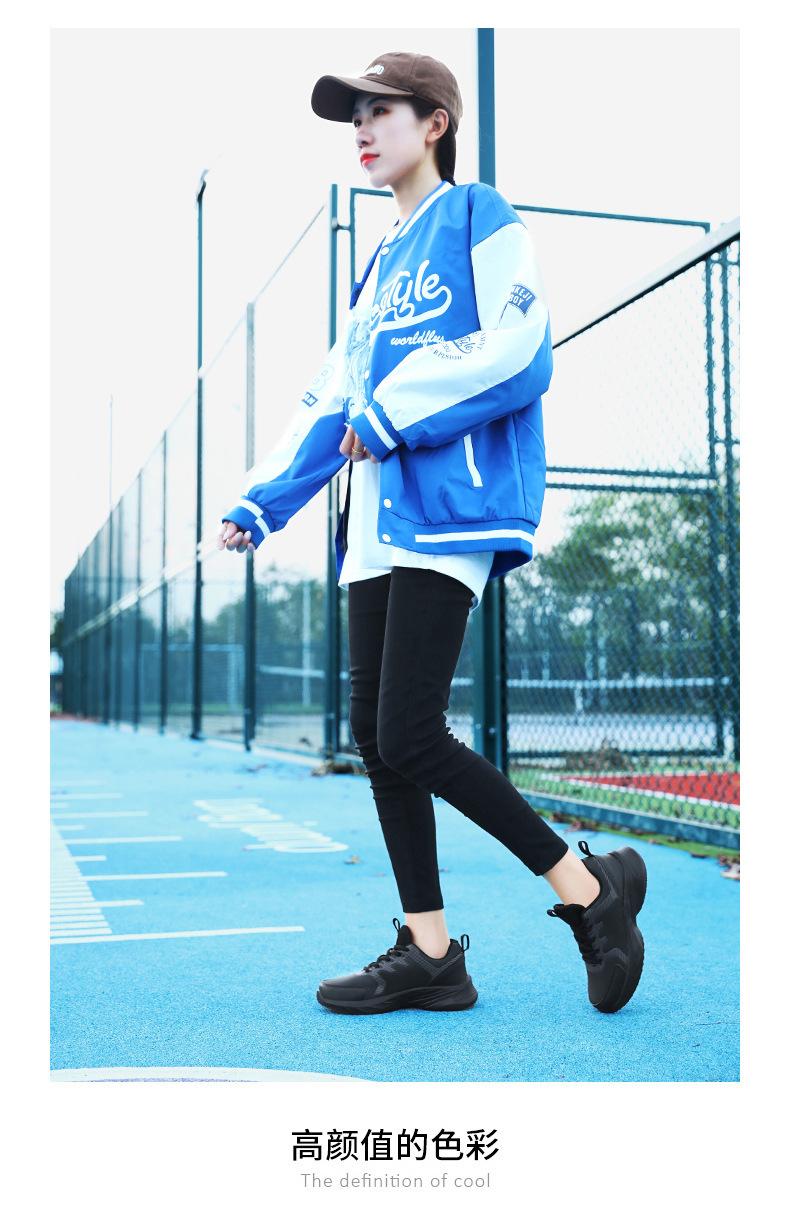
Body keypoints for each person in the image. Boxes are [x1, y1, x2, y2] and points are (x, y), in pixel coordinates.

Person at [217, 51, 648, 1016]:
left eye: (380, 110)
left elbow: (519, 347)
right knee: (378, 737)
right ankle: (430, 951)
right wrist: (264, 499)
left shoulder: (476, 215)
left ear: (435, 122)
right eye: (354, 116)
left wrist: (396, 415)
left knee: (411, 729)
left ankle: (588, 892)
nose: (362, 129)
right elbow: (336, 398)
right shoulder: (377, 271)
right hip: (373, 522)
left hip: (450, 505)